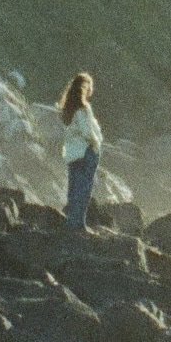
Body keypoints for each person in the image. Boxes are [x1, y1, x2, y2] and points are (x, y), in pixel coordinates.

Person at [59, 69, 103, 232]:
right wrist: (96, 143)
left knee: (73, 188)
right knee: (83, 189)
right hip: (86, 152)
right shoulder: (83, 108)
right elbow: (87, 132)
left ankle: (71, 222)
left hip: (72, 153)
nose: (92, 89)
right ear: (85, 88)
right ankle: (78, 224)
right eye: (90, 86)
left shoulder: (68, 109)